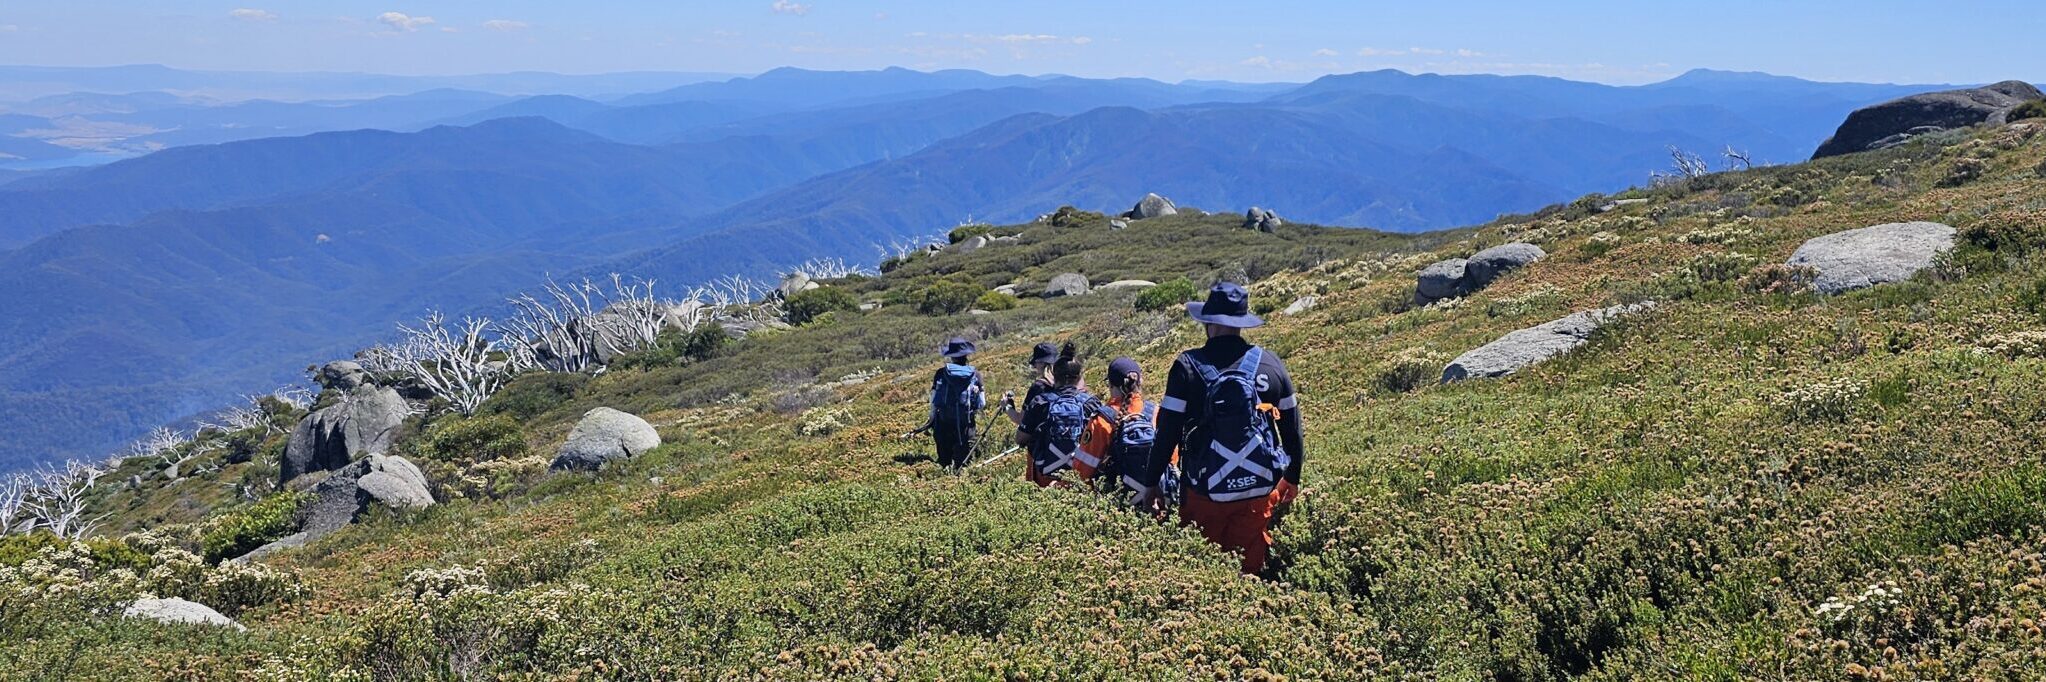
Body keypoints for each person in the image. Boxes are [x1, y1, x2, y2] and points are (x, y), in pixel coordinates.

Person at [1134, 282, 1305, 574]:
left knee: (1202, 572)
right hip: (1258, 490)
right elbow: (1292, 427)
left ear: (1208, 322)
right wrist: (1292, 475)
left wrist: (1151, 483)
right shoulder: (1270, 364)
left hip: (1203, 493)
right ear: (1241, 323)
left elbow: (1167, 432)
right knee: (1249, 571)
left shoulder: (1187, 366)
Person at [1016, 342, 1096, 487]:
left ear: (1055, 375)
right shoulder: (1091, 403)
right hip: (1081, 476)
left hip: (1044, 477)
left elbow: (1021, 439)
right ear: (1079, 378)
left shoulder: (1040, 402)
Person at [1076, 357, 1159, 488]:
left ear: (1110, 385)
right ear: (1140, 382)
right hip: (1157, 497)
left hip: (1118, 499)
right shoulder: (1155, 412)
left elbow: (1083, 470)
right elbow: (1171, 459)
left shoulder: (1102, 419)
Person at [928, 337, 986, 469]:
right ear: (966, 355)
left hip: (944, 422)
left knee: (944, 462)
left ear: (951, 356)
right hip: (966, 426)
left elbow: (934, 399)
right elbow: (982, 403)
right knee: (963, 465)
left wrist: (931, 418)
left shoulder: (941, 373)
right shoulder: (976, 375)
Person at [1002, 342, 1060, 433]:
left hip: (1045, 444)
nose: (1035, 367)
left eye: (1035, 363)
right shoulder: (1067, 381)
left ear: (1041, 363)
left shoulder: (1037, 387)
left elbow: (1021, 420)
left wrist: (1007, 407)